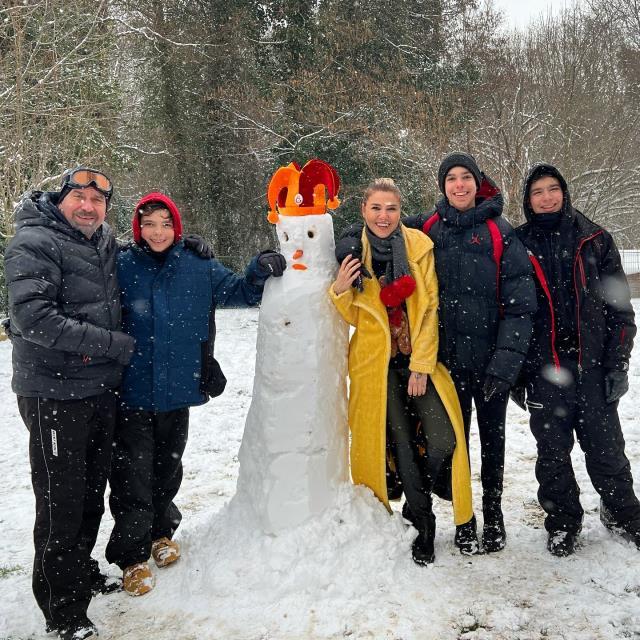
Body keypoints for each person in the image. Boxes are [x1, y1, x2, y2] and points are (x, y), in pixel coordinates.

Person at [337, 154, 537, 554]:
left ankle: (492, 513)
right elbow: (376, 229)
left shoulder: (499, 231)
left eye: (466, 178)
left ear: (478, 183)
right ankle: (453, 518)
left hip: (486, 360)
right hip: (446, 362)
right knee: (450, 443)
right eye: (451, 178)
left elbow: (520, 304)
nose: (459, 185)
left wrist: (506, 363)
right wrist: (343, 245)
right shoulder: (428, 226)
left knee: (491, 443)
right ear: (442, 185)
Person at [105, 192, 286, 595]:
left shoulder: (197, 265)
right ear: (138, 227)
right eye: (149, 223)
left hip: (177, 390)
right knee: (132, 477)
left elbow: (240, 292)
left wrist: (260, 267)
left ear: (177, 227)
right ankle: (131, 558)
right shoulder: (121, 266)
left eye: (165, 224)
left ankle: (160, 535)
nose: (157, 232)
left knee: (167, 469)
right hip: (131, 392)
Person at [4, 168, 135, 640]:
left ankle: (80, 574)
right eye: (78, 197)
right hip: (53, 392)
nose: (88, 207)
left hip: (98, 390)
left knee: (89, 494)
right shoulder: (34, 243)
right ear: (60, 201)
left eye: (97, 201)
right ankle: (63, 611)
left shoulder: (102, 242)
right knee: (61, 501)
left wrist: (189, 250)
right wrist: (112, 344)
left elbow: (144, 261)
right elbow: (34, 318)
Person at [330, 178, 473, 565]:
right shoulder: (352, 252)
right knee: (402, 445)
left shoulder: (417, 246)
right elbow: (353, 315)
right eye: (376, 208)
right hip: (375, 366)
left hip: (417, 360)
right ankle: (424, 524)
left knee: (442, 437)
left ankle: (419, 497)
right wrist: (341, 290)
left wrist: (421, 365)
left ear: (400, 210)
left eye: (391, 208)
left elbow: (428, 309)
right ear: (363, 211)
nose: (383, 216)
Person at [514, 163, 640, 556]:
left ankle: (621, 513)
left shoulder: (596, 240)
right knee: (552, 453)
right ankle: (563, 522)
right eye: (538, 192)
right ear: (528, 200)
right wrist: (519, 375)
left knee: (606, 448)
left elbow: (621, 312)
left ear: (564, 193)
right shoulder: (517, 244)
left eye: (553, 189)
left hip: (593, 367)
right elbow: (510, 314)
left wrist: (618, 365)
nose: (547, 197)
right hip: (543, 370)